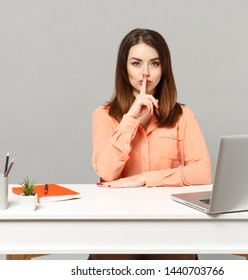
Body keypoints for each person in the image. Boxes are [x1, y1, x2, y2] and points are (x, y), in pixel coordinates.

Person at [91, 28, 212, 260]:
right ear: (124, 68)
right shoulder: (103, 115)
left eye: (154, 63)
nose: (145, 73)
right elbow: (106, 172)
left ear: (163, 68)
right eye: (136, 63)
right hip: (118, 225)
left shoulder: (183, 116)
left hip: (171, 223)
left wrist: (145, 179)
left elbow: (202, 173)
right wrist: (130, 119)